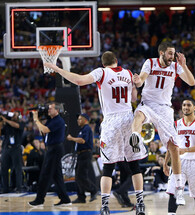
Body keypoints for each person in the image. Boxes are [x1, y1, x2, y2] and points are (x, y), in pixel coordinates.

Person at [44, 51, 147, 215]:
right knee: (134, 165)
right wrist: (136, 85)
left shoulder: (101, 72)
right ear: (116, 60)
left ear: (103, 63)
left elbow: (78, 80)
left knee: (108, 166)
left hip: (111, 121)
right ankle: (140, 204)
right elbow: (134, 98)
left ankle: (105, 206)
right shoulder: (128, 73)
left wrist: (57, 68)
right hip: (129, 120)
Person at [129, 41, 195, 205]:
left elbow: (192, 82)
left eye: (173, 54)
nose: (172, 56)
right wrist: (137, 81)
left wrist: (184, 66)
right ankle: (136, 139)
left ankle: (179, 190)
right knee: (138, 115)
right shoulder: (150, 62)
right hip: (149, 104)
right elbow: (142, 79)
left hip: (165, 109)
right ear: (161, 53)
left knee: (174, 147)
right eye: (170, 54)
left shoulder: (175, 66)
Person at [165, 98, 195, 215]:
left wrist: (186, 150)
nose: (186, 107)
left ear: (194, 108)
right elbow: (171, 145)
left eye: (189, 105)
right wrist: (165, 163)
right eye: (184, 105)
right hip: (179, 162)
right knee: (174, 191)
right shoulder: (176, 124)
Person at [29, 102, 71, 206]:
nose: (48, 110)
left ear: (57, 110)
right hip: (53, 148)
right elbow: (42, 131)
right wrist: (39, 120)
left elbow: (45, 129)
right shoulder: (51, 120)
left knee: (45, 174)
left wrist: (35, 119)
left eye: (50, 108)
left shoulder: (58, 120)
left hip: (55, 149)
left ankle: (39, 200)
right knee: (57, 176)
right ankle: (65, 199)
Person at [66, 113, 98, 203]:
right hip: (80, 154)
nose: (78, 120)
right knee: (77, 177)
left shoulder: (86, 128)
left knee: (81, 176)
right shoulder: (82, 129)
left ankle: (93, 190)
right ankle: (81, 197)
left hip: (85, 154)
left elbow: (83, 141)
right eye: (78, 119)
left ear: (85, 120)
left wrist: (72, 138)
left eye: (80, 119)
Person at [0, 111, 25, 193]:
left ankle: (19, 188)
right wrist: (1, 122)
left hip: (16, 148)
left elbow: (16, 125)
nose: (14, 116)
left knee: (17, 168)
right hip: (6, 148)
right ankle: (5, 188)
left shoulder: (21, 123)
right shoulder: (7, 125)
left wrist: (6, 120)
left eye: (16, 115)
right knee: (4, 168)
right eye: (13, 115)